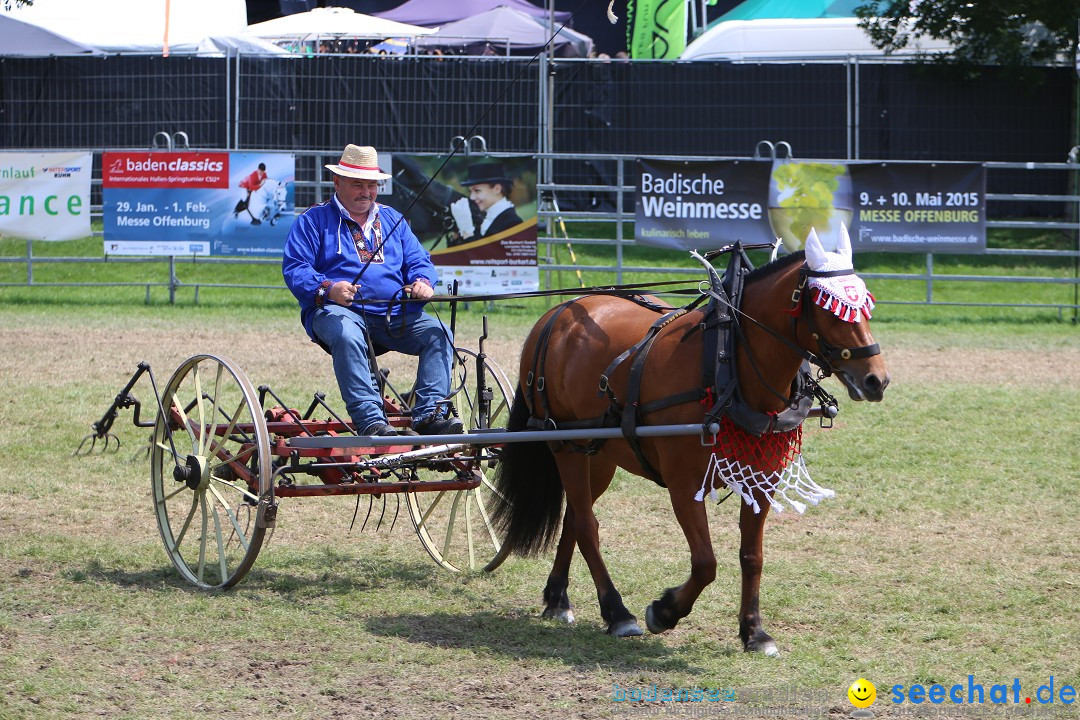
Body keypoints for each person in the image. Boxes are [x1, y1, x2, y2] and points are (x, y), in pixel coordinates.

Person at [282, 144, 463, 437]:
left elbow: (419, 260)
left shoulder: (393, 219)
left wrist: (422, 282)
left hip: (394, 314)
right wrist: (329, 289)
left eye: (371, 184)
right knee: (345, 333)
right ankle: (371, 422)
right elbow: (296, 269)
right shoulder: (312, 221)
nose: (366, 191)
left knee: (439, 333)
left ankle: (430, 414)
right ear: (337, 182)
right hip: (337, 313)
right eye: (357, 184)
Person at [449, 162, 523, 243]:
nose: (472, 197)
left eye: (477, 190)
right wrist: (456, 231)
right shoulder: (486, 221)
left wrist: (467, 232)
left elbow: (481, 255)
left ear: (497, 189)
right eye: (470, 191)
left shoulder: (513, 223)